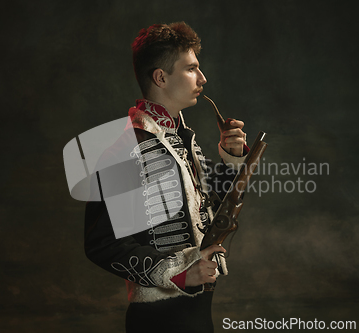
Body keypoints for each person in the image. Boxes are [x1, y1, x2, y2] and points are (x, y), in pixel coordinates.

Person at [84, 22, 248, 333]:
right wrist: (176, 273)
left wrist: (231, 158)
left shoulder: (182, 140)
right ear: (161, 77)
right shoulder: (122, 150)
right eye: (191, 69)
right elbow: (101, 243)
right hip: (158, 320)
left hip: (198, 312)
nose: (202, 78)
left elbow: (216, 214)